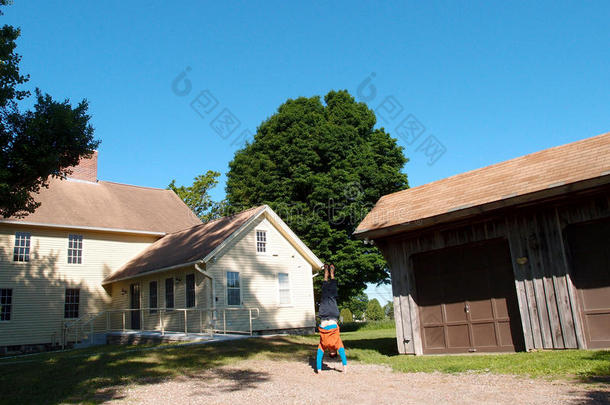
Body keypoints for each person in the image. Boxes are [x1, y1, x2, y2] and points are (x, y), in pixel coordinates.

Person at [316, 263, 347, 374]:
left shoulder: (323, 345)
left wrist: (319, 370)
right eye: (335, 352)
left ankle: (326, 276)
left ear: (329, 352)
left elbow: (319, 355)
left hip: (324, 317)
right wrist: (345, 368)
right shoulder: (338, 343)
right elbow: (343, 354)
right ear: (336, 351)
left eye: (331, 352)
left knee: (325, 296)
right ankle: (332, 275)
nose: (333, 350)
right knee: (333, 296)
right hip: (333, 316)